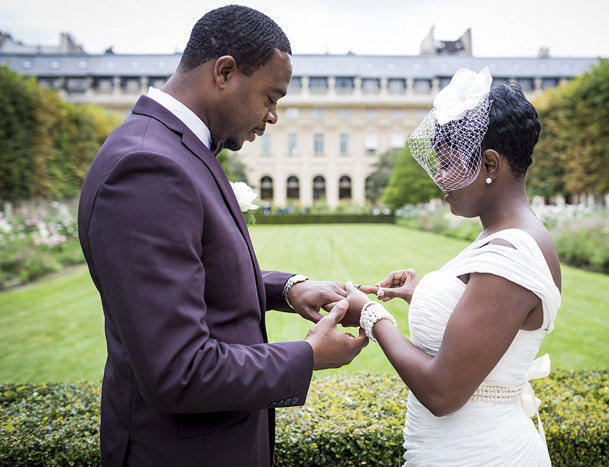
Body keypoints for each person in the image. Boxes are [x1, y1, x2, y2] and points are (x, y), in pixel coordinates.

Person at [77, 5, 367, 466]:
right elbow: (179, 371)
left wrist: (289, 289)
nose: (273, 117)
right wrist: (307, 357)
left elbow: (195, 268)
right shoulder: (149, 166)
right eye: (271, 97)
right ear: (225, 72)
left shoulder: (175, 148)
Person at [348, 67, 562, 466]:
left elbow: (442, 393)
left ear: (490, 165)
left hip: (481, 453)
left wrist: (372, 316)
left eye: (448, 164)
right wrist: (420, 293)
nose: (440, 178)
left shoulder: (513, 251)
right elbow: (482, 323)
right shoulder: (503, 235)